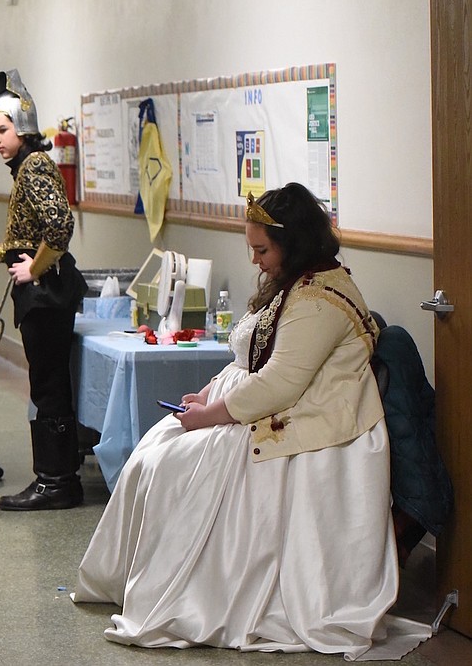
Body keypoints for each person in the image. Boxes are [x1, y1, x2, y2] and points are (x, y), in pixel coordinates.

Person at [73, 182, 432, 659]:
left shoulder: (320, 299)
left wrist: (210, 417)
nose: (255, 260)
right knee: (153, 454)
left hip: (308, 427)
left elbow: (278, 385)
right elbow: (252, 357)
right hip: (261, 406)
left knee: (174, 469)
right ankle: (136, 581)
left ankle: (186, 592)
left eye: (261, 250)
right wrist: (206, 395)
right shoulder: (293, 285)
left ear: (294, 243)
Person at [0, 69, 85, 511]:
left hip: (48, 294)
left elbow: (61, 225)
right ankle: (55, 477)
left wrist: (33, 268)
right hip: (42, 291)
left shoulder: (36, 165)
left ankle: (56, 481)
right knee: (46, 383)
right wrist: (3, 251)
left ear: (21, 126)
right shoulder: (25, 166)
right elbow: (36, 229)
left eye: (2, 130)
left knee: (48, 387)